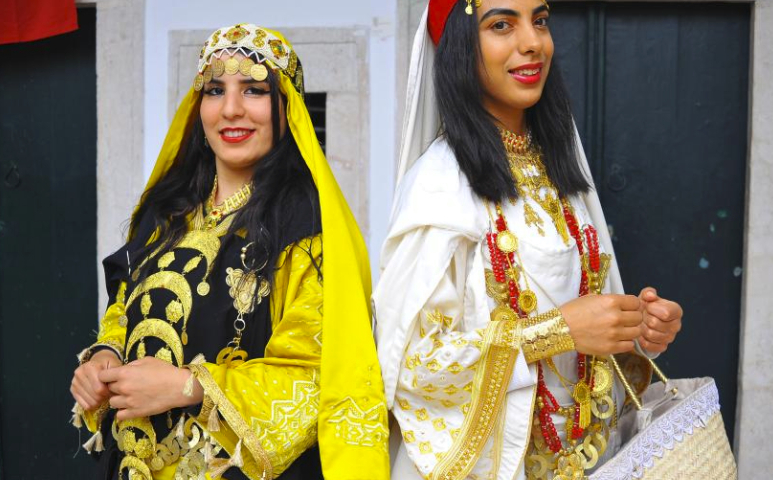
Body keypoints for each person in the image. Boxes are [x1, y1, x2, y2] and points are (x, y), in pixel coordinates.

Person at [373, 1, 684, 478]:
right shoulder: (438, 187)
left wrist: (636, 332)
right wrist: (554, 331)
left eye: (540, 21)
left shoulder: (555, 170)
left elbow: (580, 316)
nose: (532, 42)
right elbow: (410, 366)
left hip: (583, 458)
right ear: (459, 47)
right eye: (502, 25)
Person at [70, 24, 389, 480]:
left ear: (287, 109)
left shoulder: (306, 226)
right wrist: (104, 358)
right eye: (215, 89)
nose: (232, 109)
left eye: (255, 90)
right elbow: (125, 305)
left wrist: (188, 386)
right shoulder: (166, 210)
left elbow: (320, 380)